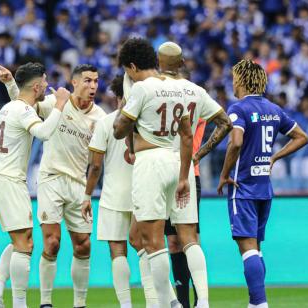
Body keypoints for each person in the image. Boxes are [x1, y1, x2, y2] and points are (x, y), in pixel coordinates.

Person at [0, 63, 106, 308]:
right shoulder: (54, 102)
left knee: (83, 244)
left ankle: (80, 303)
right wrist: (11, 83)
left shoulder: (100, 117)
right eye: (87, 81)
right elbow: (22, 105)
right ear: (74, 82)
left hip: (78, 183)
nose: (93, 86)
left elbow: (97, 163)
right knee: (52, 243)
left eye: (96, 81)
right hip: (51, 179)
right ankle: (46, 302)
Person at [218, 59, 308, 308]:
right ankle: (255, 303)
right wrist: (275, 157)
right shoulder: (273, 109)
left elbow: (235, 142)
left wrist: (224, 174)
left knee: (247, 249)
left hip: (243, 188)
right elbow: (302, 137)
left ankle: (259, 304)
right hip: (264, 189)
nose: (233, 82)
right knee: (256, 249)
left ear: (242, 80)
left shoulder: (238, 109)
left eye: (235, 77)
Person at [112, 37, 192, 308]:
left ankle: (167, 302)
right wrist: (183, 175)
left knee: (153, 240)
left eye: (127, 70)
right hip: (172, 158)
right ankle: (166, 300)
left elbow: (119, 130)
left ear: (132, 67)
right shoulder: (176, 87)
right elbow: (187, 134)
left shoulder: (141, 89)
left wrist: (124, 111)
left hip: (150, 163)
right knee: (140, 236)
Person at [0, 62, 70, 308]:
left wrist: (10, 83)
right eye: (44, 80)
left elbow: (25, 108)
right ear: (37, 85)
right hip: (9, 180)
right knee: (25, 245)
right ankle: (19, 303)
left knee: (20, 240)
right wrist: (60, 105)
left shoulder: (10, 107)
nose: (47, 85)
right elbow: (43, 133)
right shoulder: (22, 110)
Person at [158, 41, 233, 308]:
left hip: (190, 174)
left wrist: (200, 154)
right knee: (174, 241)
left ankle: (199, 299)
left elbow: (224, 123)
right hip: (168, 171)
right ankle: (183, 302)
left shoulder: (194, 99)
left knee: (187, 238)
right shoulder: (185, 96)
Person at [80, 75, 136, 308]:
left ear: (117, 97)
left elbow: (95, 166)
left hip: (113, 195)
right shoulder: (146, 121)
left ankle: (126, 305)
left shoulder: (106, 122)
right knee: (149, 247)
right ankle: (160, 302)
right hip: (142, 191)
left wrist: (86, 196)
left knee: (117, 249)